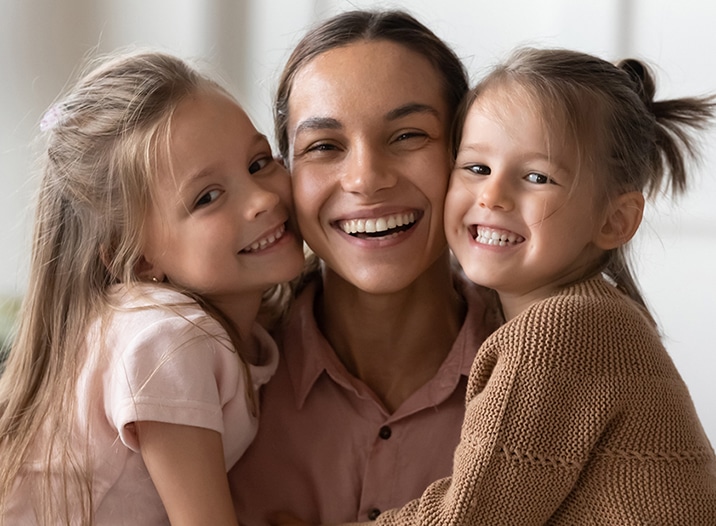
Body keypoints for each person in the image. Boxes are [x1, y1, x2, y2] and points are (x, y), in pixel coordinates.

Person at [328, 47, 716, 524]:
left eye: (537, 176)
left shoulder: (561, 330)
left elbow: (471, 516)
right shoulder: (591, 316)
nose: (492, 196)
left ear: (615, 221)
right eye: (476, 168)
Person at [0, 50, 305, 525]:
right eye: (207, 197)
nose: (263, 199)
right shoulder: (168, 339)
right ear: (140, 260)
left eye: (259, 162)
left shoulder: (239, 325)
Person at [229, 9, 500, 525]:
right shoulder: (220, 365)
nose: (366, 179)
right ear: (286, 175)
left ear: (464, 153)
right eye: (324, 146)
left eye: (407, 136)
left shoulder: (552, 374)